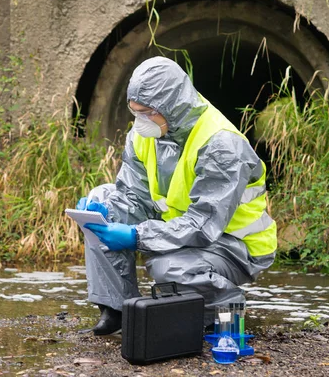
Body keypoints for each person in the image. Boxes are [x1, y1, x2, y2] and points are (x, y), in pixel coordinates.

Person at [77, 56, 277, 336]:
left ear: (170, 105)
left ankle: (226, 309)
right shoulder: (144, 135)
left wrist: (136, 236)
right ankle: (117, 309)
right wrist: (100, 213)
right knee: (105, 202)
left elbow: (203, 224)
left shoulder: (221, 144)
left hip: (234, 244)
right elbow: (133, 194)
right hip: (184, 230)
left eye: (146, 112)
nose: (140, 121)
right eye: (135, 112)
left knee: (166, 266)